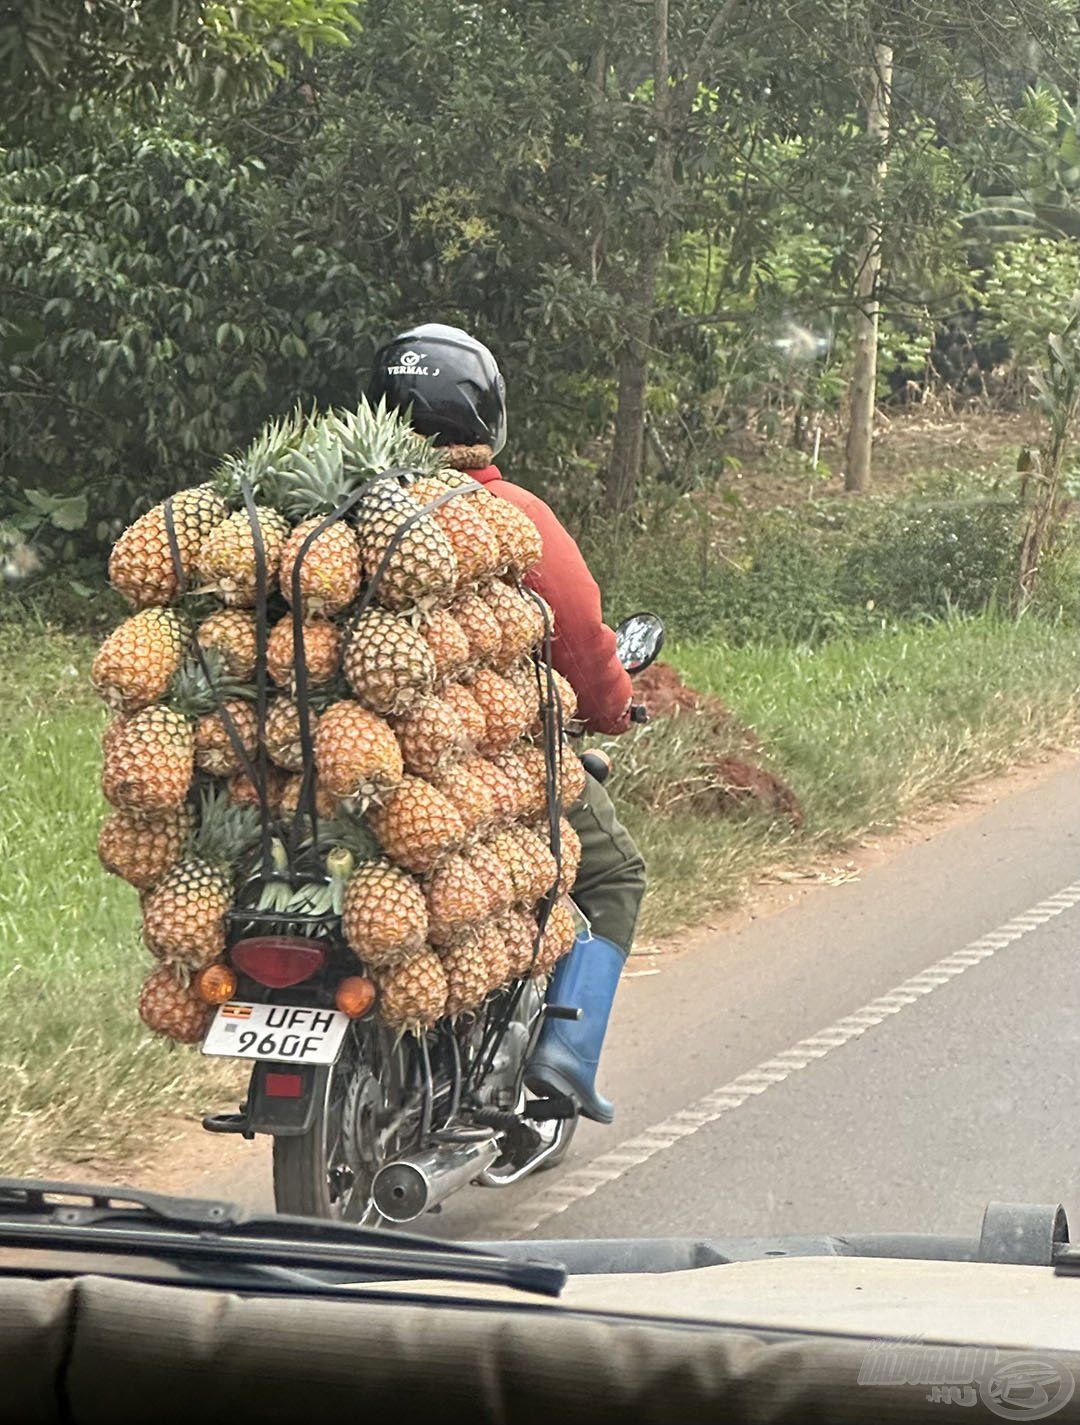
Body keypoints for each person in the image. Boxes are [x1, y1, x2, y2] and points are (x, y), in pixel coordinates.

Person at [369, 322, 646, 1123]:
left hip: (332, 762)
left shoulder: (330, 513)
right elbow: (583, 638)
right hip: (486, 763)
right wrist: (610, 708)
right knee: (614, 872)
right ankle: (567, 1050)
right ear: (482, 415)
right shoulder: (502, 513)